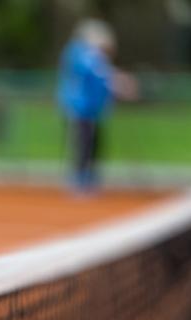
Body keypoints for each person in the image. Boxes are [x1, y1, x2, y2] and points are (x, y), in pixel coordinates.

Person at [57, 19, 136, 193]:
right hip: (79, 108)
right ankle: (78, 178)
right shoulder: (79, 52)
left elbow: (103, 76)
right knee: (82, 143)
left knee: (94, 143)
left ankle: (89, 176)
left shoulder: (95, 56)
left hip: (93, 110)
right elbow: (97, 72)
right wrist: (119, 82)